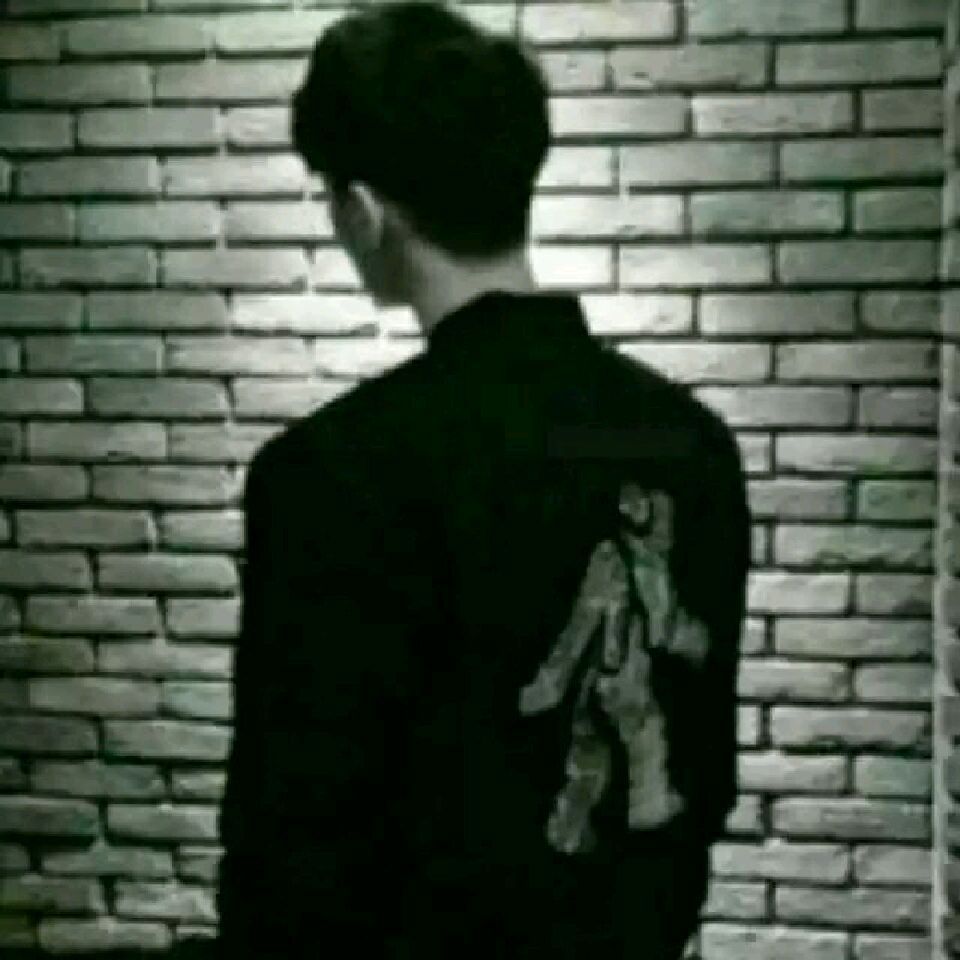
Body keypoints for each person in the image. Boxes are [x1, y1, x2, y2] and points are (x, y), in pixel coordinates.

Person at [216, 3, 751, 959]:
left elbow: (290, 848)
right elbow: (695, 789)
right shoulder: (695, 446)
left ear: (364, 211)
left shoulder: (325, 474)